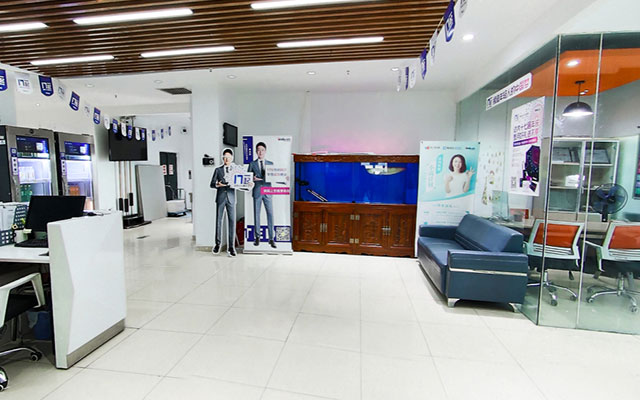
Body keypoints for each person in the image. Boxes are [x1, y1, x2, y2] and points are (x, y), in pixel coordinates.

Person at [247, 142, 276, 248]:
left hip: (268, 191)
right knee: (257, 214)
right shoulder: (252, 164)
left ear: (265, 151)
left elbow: (274, 177)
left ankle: (271, 238)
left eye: (262, 150)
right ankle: (257, 237)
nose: (260, 152)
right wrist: (252, 179)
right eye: (258, 150)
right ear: (256, 151)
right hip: (257, 191)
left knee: (270, 214)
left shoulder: (270, 163)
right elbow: (247, 178)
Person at [210, 148, 236, 257]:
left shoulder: (236, 170)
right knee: (219, 221)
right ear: (222, 158)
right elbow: (212, 184)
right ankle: (217, 244)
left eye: (228, 157)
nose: (226, 159)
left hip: (231, 198)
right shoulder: (218, 170)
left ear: (232, 158)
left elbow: (241, 183)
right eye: (225, 157)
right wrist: (217, 184)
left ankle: (231, 247)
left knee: (232, 222)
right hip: (220, 197)